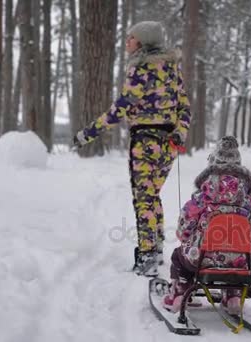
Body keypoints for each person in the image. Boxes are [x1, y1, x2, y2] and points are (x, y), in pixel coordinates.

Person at [73, 21, 191, 277]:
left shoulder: (140, 68)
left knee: (143, 199)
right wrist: (180, 132)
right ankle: (156, 249)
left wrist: (88, 133)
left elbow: (121, 108)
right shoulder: (172, 68)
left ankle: (148, 255)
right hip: (168, 144)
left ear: (143, 41)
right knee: (153, 196)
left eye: (132, 37)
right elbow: (184, 107)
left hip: (145, 143)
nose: (127, 41)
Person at [163, 136, 251, 314]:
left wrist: (184, 236)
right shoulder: (248, 199)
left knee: (179, 256)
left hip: (202, 258)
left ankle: (180, 293)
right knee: (233, 260)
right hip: (240, 261)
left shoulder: (203, 197)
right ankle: (232, 296)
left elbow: (186, 221)